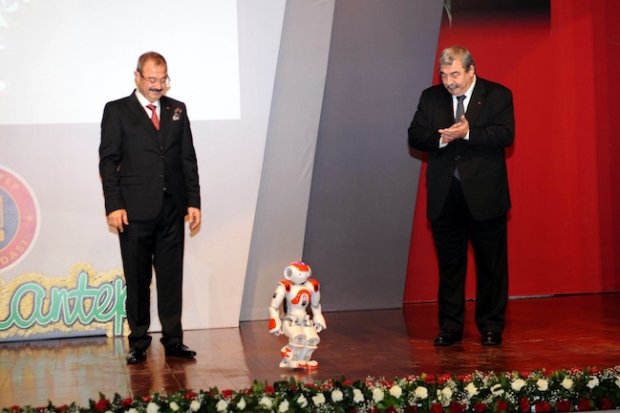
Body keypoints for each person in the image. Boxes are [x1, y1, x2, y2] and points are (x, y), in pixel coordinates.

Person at [408, 46, 514, 347]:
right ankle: (450, 328)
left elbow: (506, 135)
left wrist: (468, 133)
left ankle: (491, 327)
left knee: (490, 267)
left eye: (454, 74)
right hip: (445, 196)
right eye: (444, 75)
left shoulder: (497, 95)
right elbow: (415, 134)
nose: (449, 82)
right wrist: (442, 138)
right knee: (450, 267)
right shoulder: (431, 97)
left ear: (471, 70)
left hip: (485, 195)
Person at [99, 51, 201, 363]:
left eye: (162, 79)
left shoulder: (177, 109)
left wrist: (193, 202)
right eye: (151, 79)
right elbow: (109, 162)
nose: (157, 85)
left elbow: (187, 159)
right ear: (137, 76)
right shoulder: (117, 110)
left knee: (171, 279)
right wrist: (114, 205)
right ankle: (139, 341)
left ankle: (174, 340)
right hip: (133, 212)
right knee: (138, 279)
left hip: (172, 211)